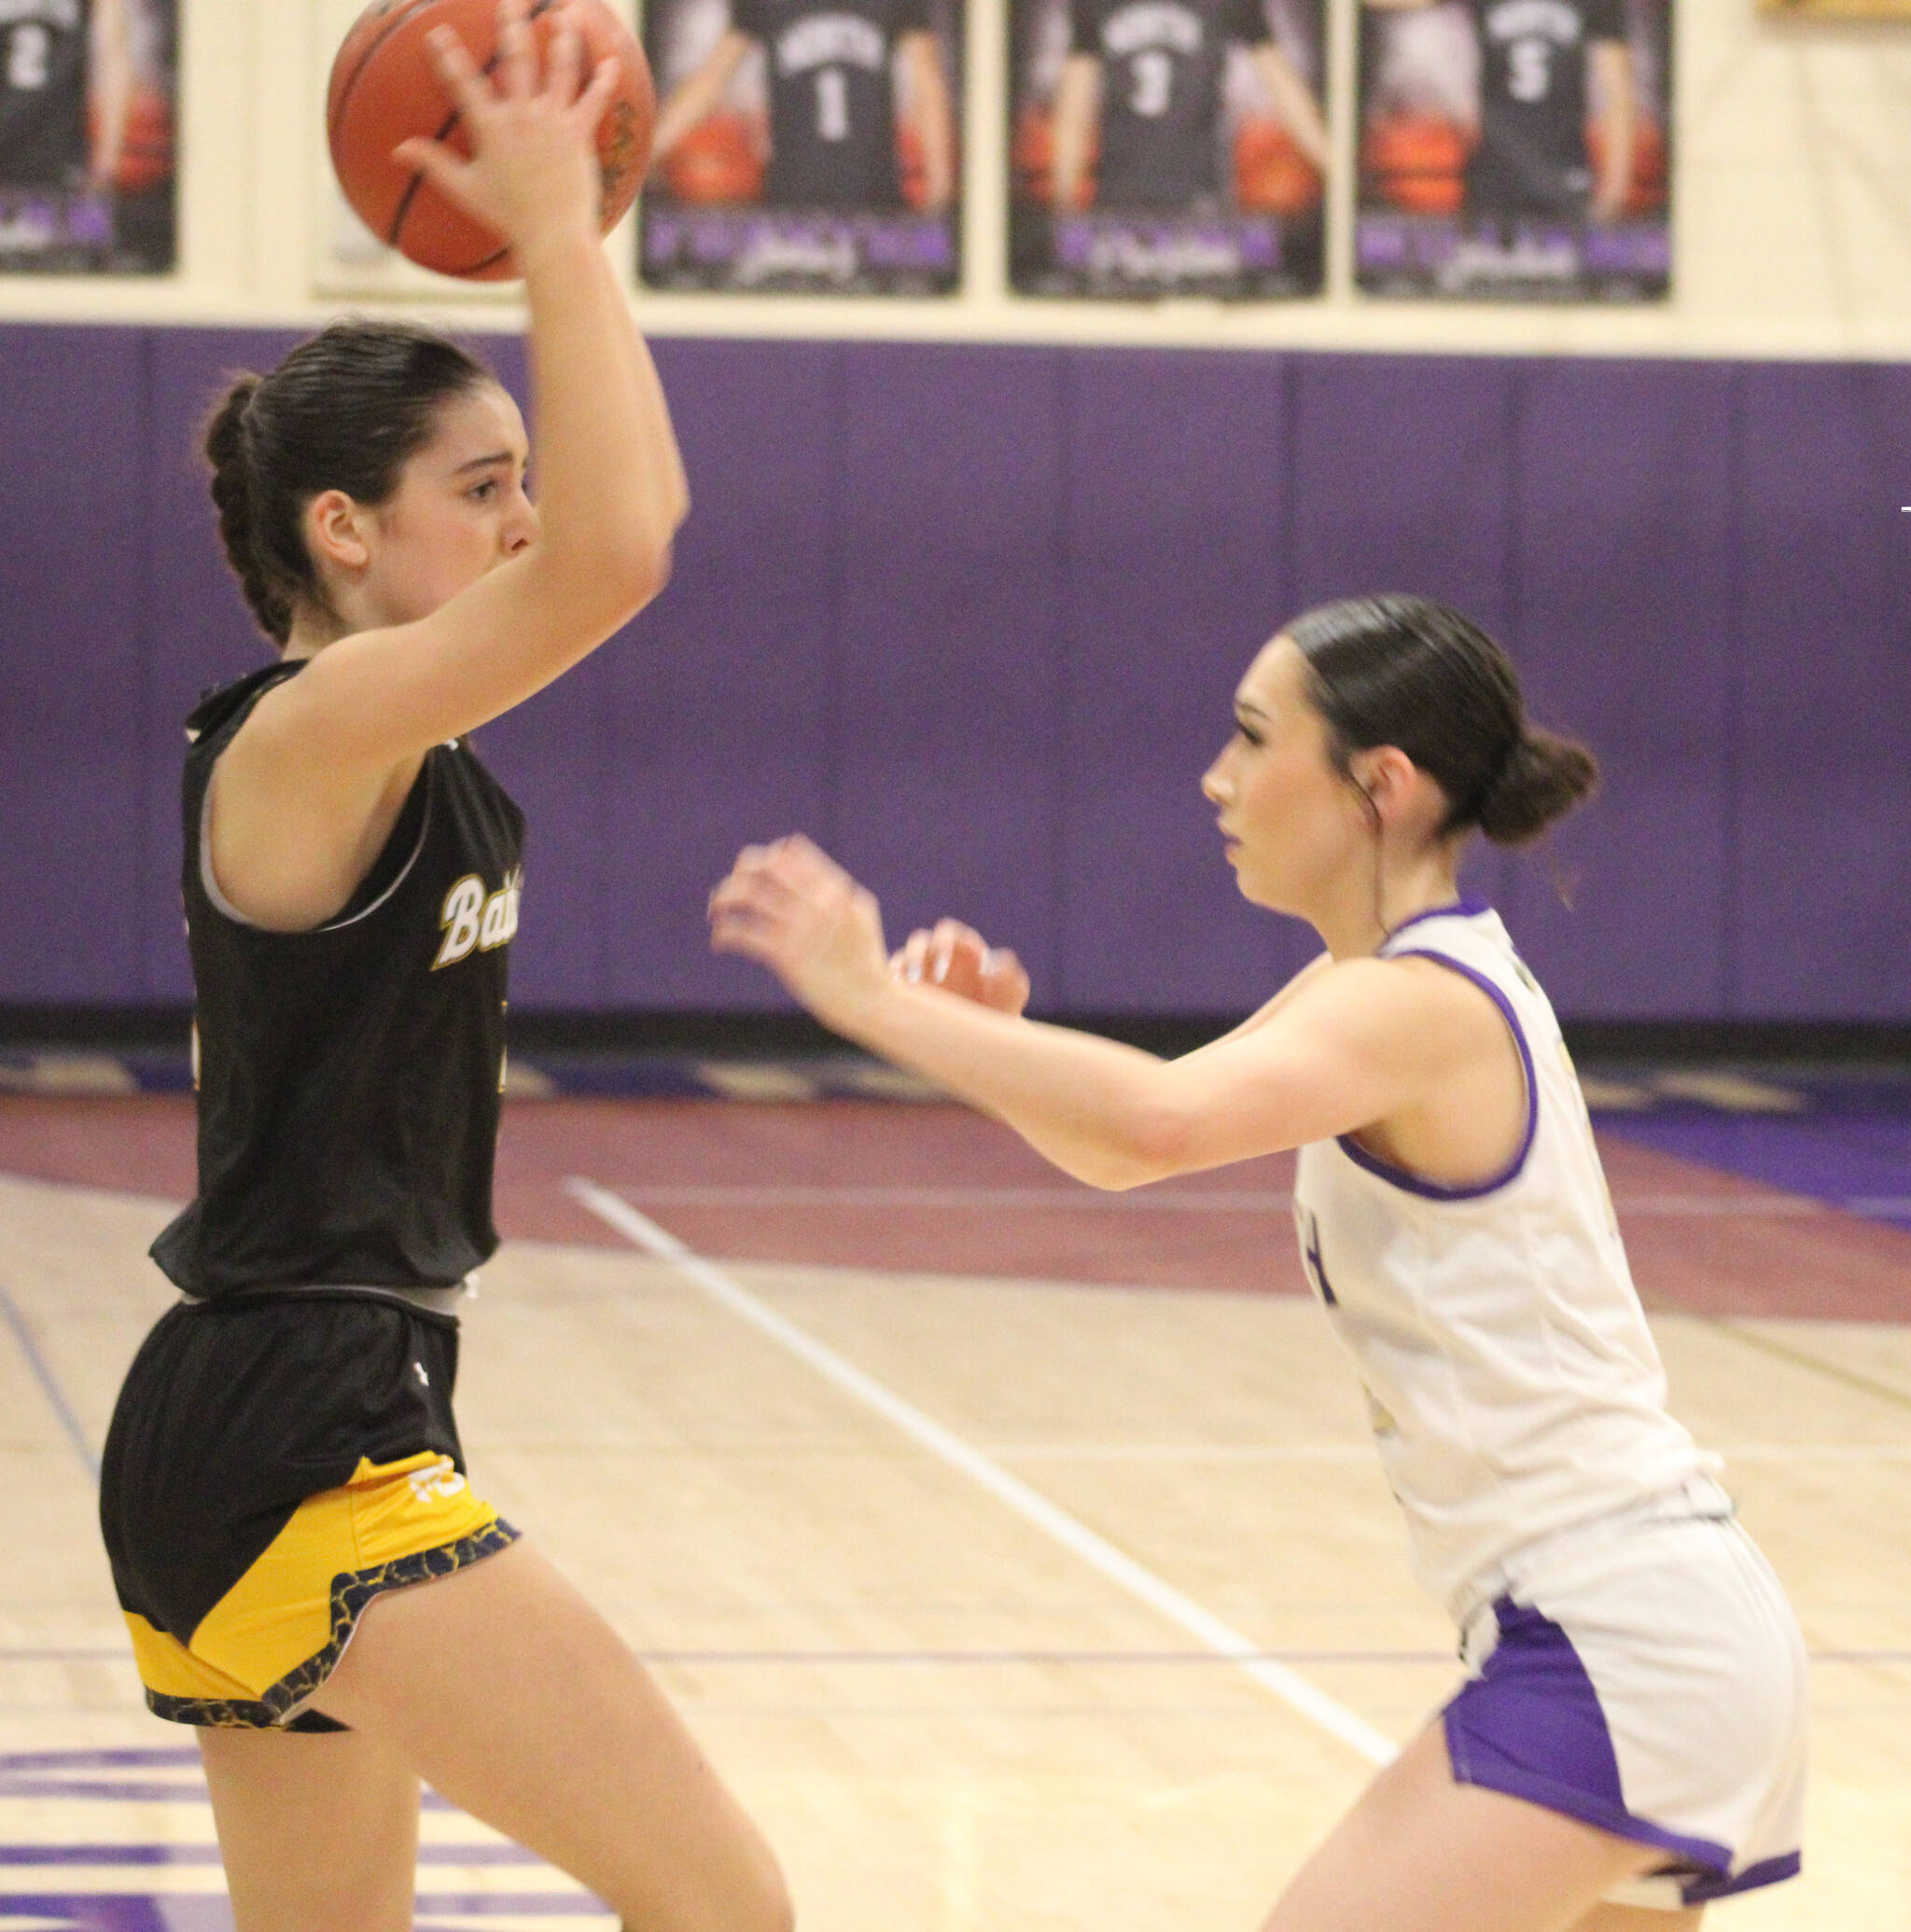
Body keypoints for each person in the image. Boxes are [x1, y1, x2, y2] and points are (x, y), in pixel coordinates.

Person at [708, 594, 1806, 1932]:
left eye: (1251, 737)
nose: (1215, 778)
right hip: (1637, 1626)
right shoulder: (1381, 978)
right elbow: (1139, 1123)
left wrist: (869, 998)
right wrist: (976, 1037)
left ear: (1379, 785)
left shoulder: (1415, 1000)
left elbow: (1149, 1128)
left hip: (1622, 1631)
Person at [96, 7, 790, 1930]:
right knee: (731, 1909)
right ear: (345, 528)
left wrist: (572, 247)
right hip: (294, 1419)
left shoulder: (406, 754)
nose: (526, 514)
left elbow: (603, 541)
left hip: (312, 1399)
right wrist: (563, 233)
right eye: (480, 483)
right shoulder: (300, 731)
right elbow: (625, 552)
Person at [649, 0, 954, 213]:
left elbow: (927, 84)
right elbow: (711, 81)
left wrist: (940, 195)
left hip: (873, 198)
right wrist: (644, 153)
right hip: (792, 200)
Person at [1364, 0, 1635, 226]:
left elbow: (1618, 91)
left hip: (1560, 171)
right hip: (1498, 168)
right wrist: (1615, 188)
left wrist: (1615, 189)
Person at [1052, 0, 1327, 214]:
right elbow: (1074, 107)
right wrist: (1063, 203)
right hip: (1120, 194)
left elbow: (1285, 90)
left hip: (1198, 195)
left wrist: (1336, 168)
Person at [0, 0, 130, 194]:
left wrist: (106, 166)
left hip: (60, 158)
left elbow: (114, 59)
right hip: (53, 155)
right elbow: (115, 61)